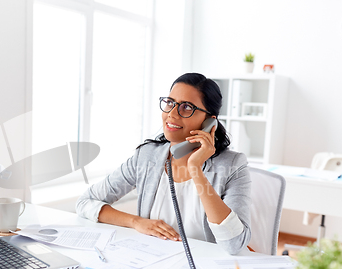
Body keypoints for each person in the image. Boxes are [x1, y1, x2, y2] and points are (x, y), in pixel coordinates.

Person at [76, 73, 251, 255]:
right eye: (170, 103)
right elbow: (85, 202)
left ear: (209, 121)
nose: (172, 114)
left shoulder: (233, 165)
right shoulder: (147, 156)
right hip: (153, 263)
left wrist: (195, 169)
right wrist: (136, 222)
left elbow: (234, 244)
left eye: (186, 107)